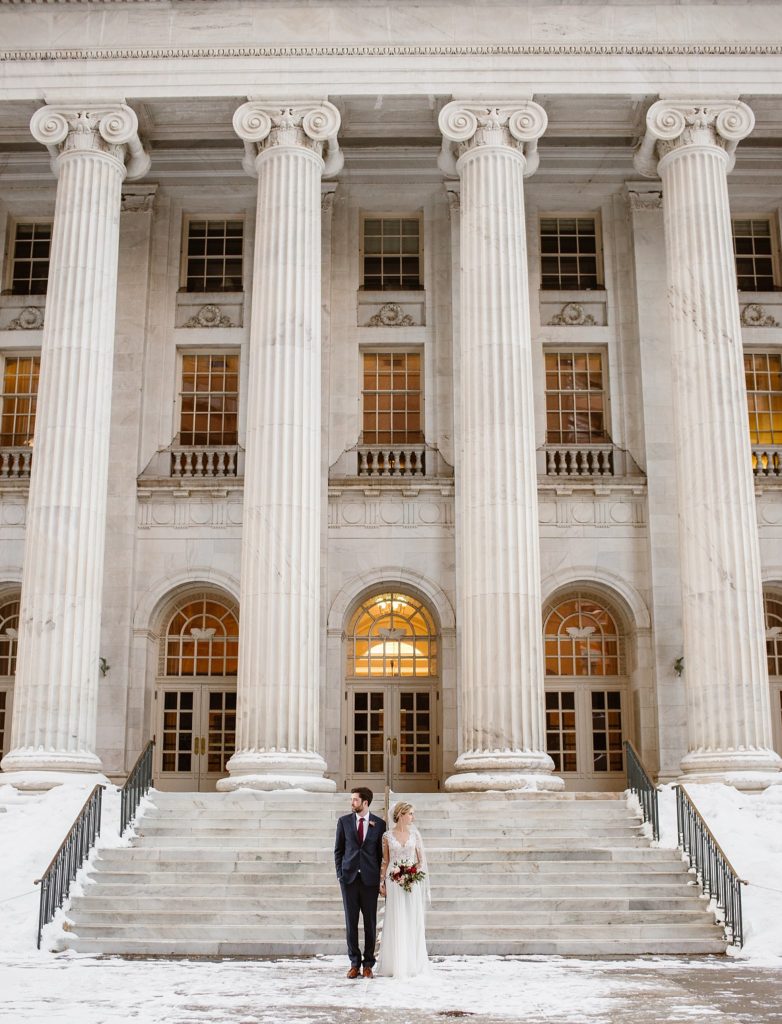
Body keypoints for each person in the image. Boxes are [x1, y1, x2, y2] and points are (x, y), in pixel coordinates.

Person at [334, 787, 386, 979]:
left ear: (365, 802)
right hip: (349, 880)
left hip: (370, 881)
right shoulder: (344, 822)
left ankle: (368, 964)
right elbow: (338, 850)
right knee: (351, 923)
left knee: (370, 924)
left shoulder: (380, 824)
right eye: (351, 799)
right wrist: (340, 874)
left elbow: (381, 856)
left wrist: (382, 880)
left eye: (355, 800)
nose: (352, 802)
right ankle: (354, 963)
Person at [376, 801, 431, 978]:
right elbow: (385, 860)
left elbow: (420, 860)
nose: (412, 817)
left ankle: (412, 963)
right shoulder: (387, 836)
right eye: (410, 814)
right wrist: (381, 882)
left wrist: (411, 873)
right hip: (393, 881)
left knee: (410, 918)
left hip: (411, 882)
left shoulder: (414, 835)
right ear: (401, 814)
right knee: (396, 919)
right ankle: (395, 963)